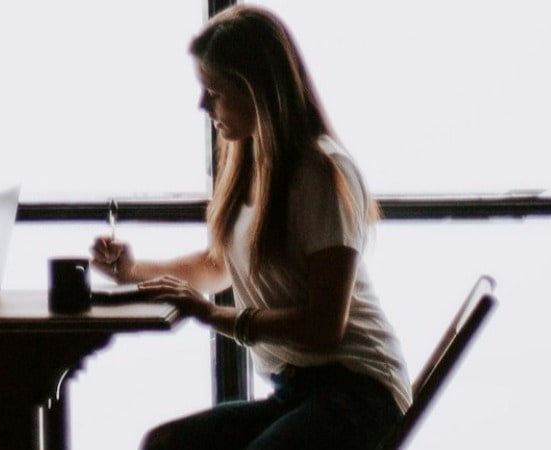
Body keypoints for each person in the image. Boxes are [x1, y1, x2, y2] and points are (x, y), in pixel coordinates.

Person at [90, 5, 409, 450]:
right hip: (295, 391)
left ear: (257, 92)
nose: (203, 106)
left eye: (214, 92)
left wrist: (212, 315)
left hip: (358, 392)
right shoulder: (251, 164)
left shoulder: (319, 172)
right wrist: (132, 271)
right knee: (165, 444)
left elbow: (325, 325)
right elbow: (216, 266)